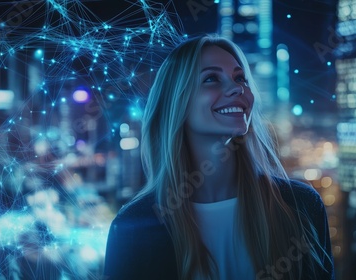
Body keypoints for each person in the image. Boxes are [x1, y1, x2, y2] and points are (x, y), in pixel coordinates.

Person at [104, 34, 334, 280]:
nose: (238, 88)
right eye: (211, 78)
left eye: (240, 77)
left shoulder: (301, 206)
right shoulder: (134, 228)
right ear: (176, 102)